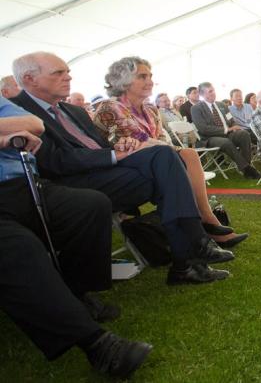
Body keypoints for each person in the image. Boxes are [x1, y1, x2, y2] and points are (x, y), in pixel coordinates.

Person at [11, 52, 233, 285]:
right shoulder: (19, 113)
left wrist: (119, 145)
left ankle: (189, 257)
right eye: (59, 73)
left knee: (165, 156)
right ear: (29, 79)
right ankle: (193, 249)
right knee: (167, 173)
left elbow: (99, 144)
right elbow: (53, 162)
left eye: (67, 71)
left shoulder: (72, 110)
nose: (68, 77)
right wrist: (111, 154)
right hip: (70, 182)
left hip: (105, 169)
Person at [0, 96, 152, 377]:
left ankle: (77, 294)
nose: (66, 76)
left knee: (90, 206)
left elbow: (34, 124)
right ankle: (96, 344)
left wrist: (15, 129)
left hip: (20, 183)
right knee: (18, 247)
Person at [93, 58, 248, 249]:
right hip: (124, 165)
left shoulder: (150, 108)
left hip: (156, 160)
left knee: (187, 154)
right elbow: (137, 140)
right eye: (142, 76)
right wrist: (172, 151)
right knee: (186, 155)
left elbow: (160, 139)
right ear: (122, 81)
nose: (149, 80)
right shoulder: (109, 107)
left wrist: (171, 150)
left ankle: (206, 222)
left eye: (150, 76)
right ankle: (207, 222)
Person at [191, 82, 261, 180]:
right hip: (209, 138)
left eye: (213, 90)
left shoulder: (222, 105)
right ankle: (247, 169)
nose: (213, 93)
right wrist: (226, 129)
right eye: (210, 91)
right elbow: (203, 128)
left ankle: (246, 167)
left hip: (227, 134)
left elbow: (231, 120)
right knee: (225, 142)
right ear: (202, 94)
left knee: (244, 134)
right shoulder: (196, 108)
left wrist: (234, 126)